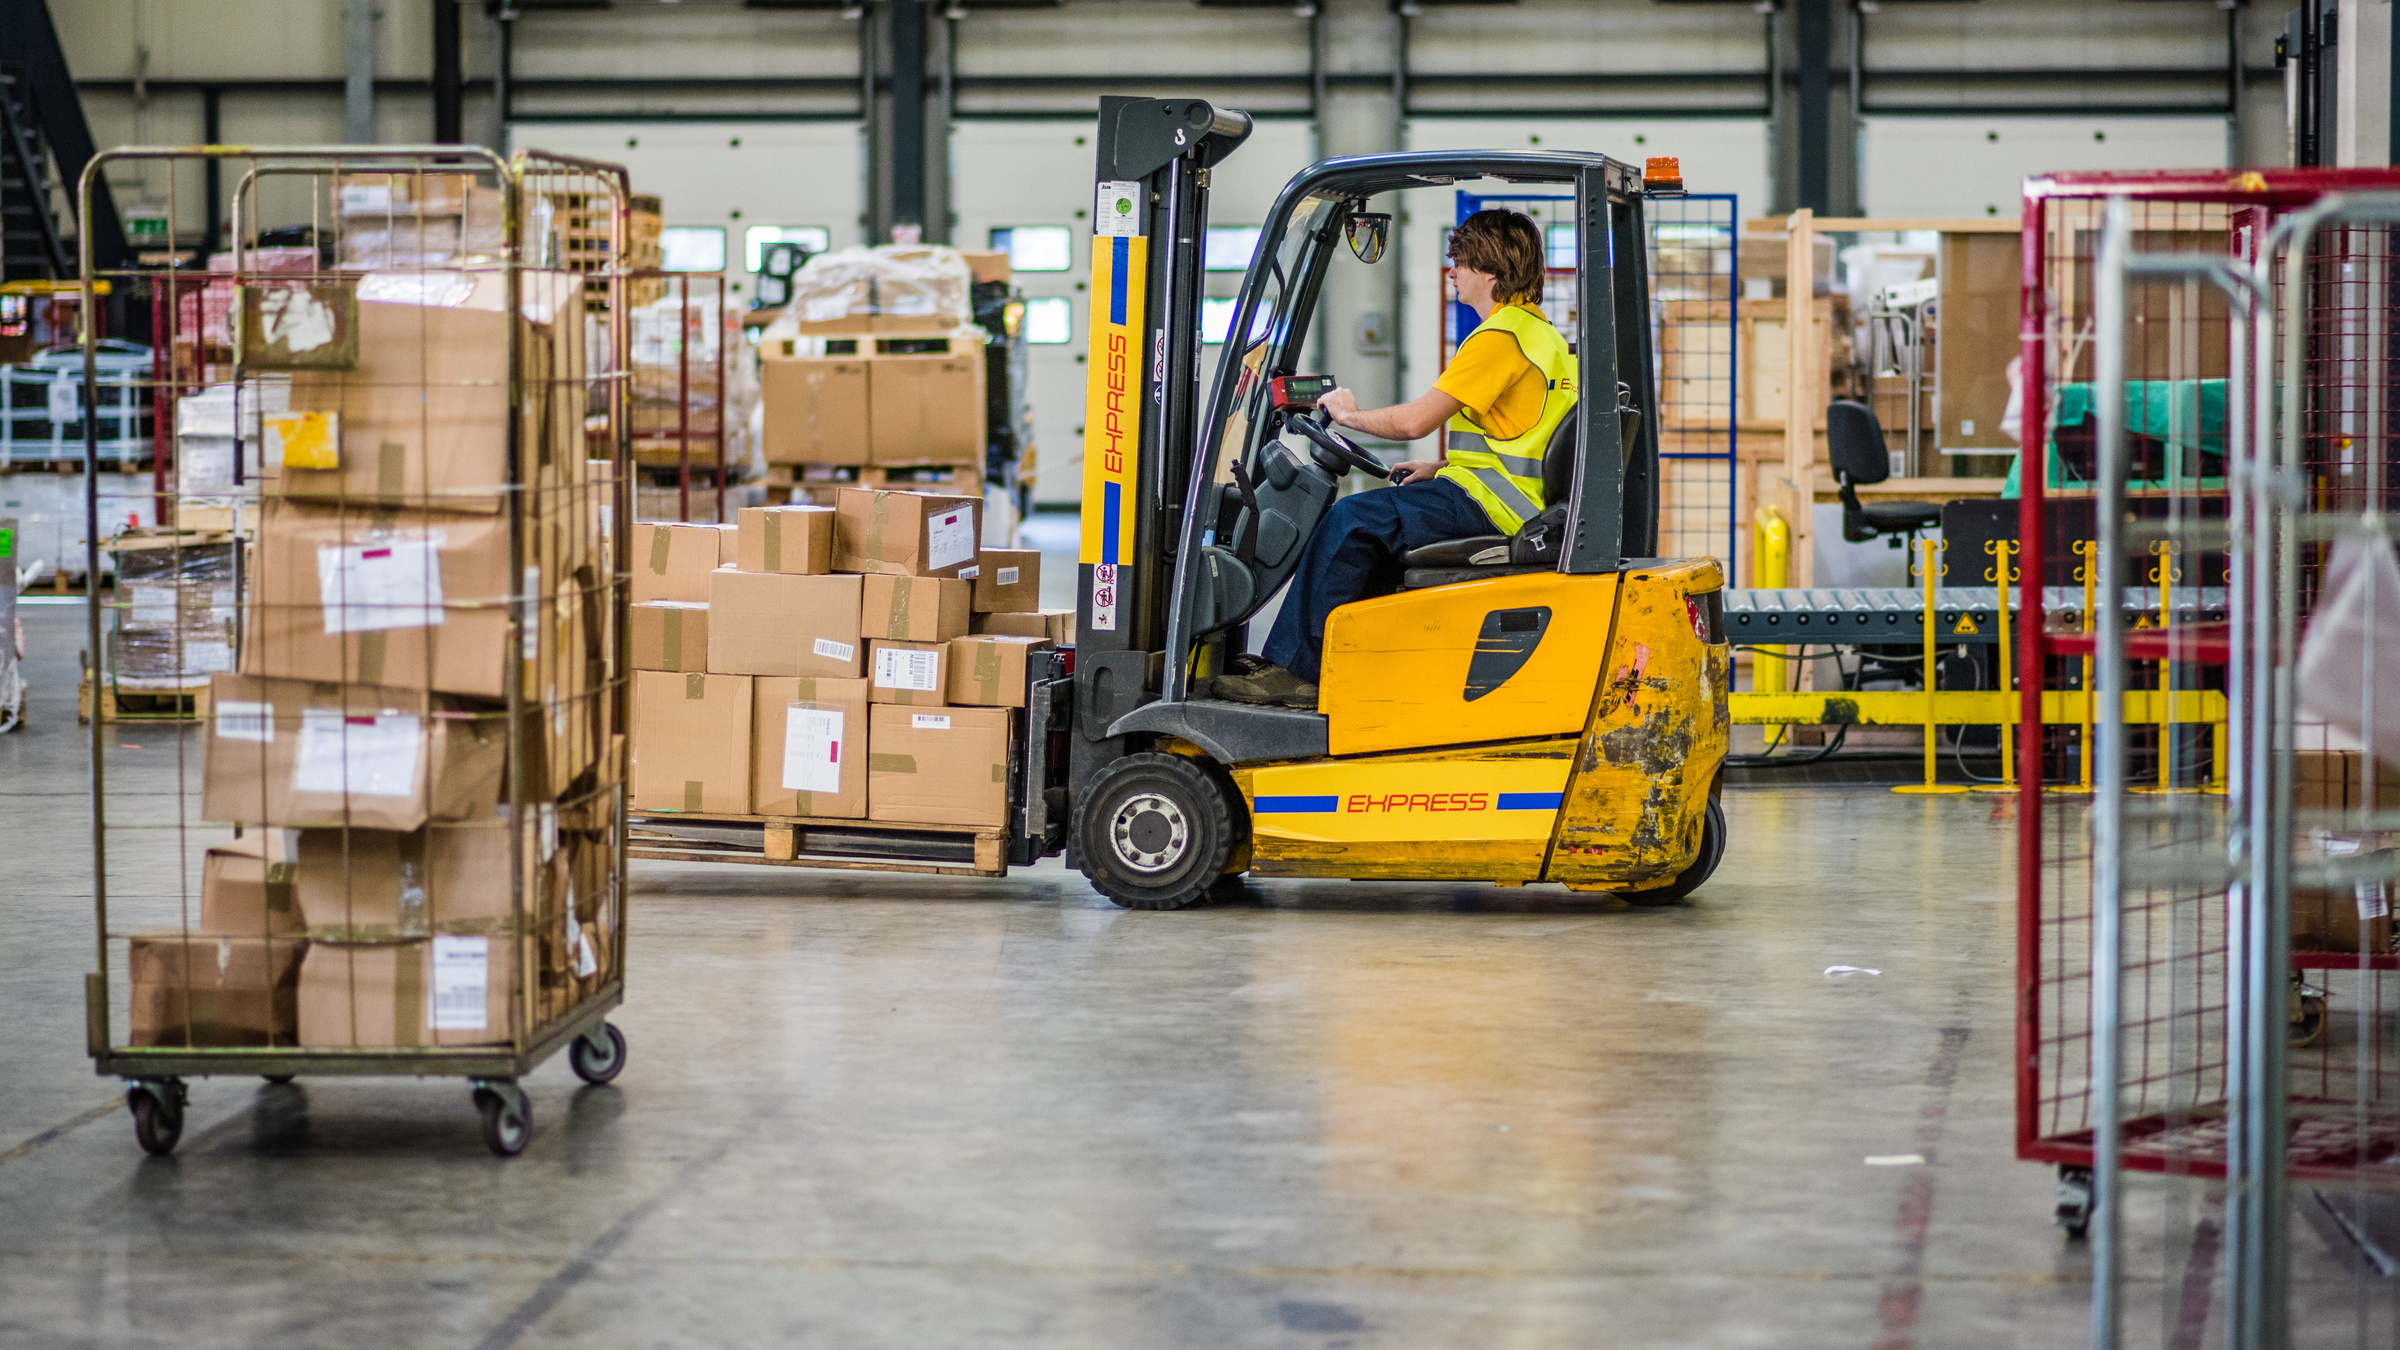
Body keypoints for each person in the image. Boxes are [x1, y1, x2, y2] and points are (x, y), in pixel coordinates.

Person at [1215, 208, 1580, 709]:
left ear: (1490, 271)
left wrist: (1348, 414)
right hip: (1504, 498)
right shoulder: (1542, 335)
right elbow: (1522, 436)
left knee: (1350, 520)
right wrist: (1441, 469)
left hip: (1492, 506)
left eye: (1461, 263)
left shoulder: (1500, 338)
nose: (1452, 273)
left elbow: (1414, 423)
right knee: (1377, 525)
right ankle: (1344, 663)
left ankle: (1296, 672)